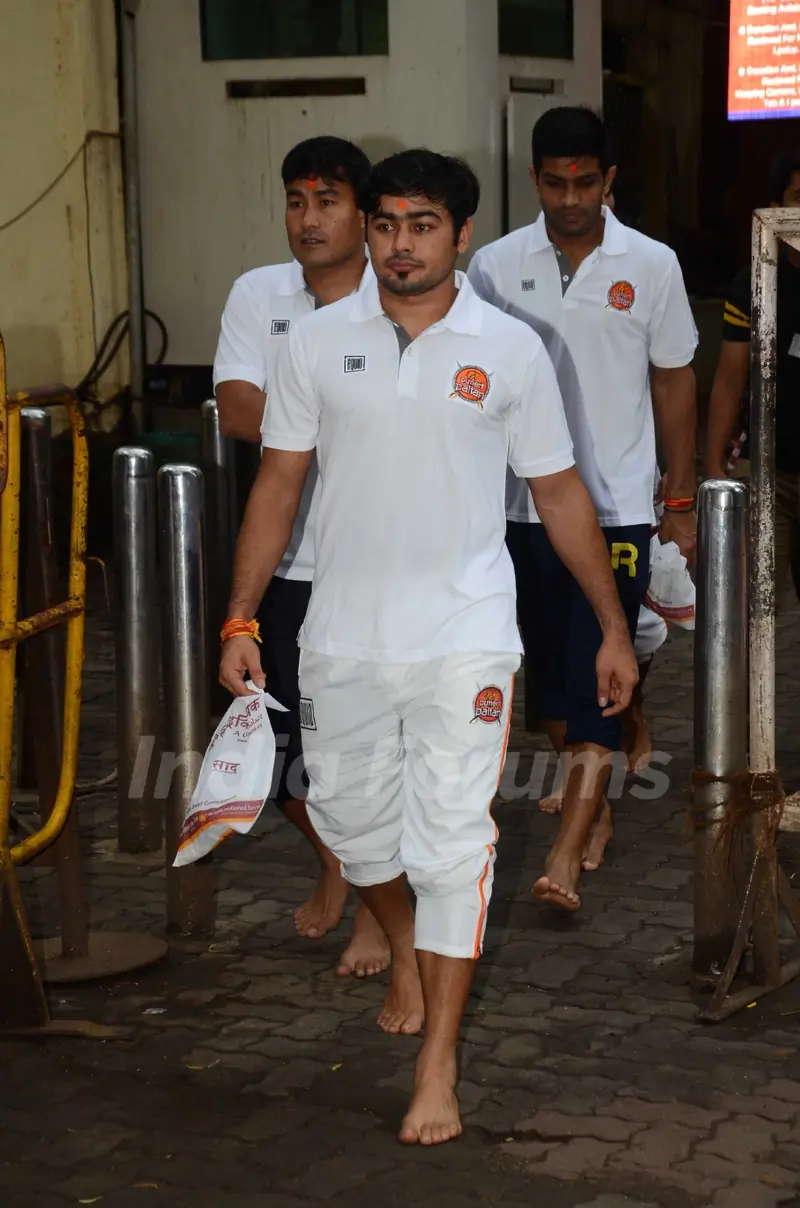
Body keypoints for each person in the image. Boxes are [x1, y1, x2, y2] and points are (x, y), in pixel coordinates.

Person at [219, 149, 638, 1146]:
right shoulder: (316, 342)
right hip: (342, 634)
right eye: (385, 224)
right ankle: (404, 943)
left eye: (421, 225)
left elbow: (558, 493)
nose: (399, 243)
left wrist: (612, 627)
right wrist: (240, 616)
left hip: (466, 635)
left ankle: (437, 1060)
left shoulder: (512, 348)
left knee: (452, 844)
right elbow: (277, 484)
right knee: (349, 821)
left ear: (460, 235)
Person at [468, 106, 698, 911]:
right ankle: (593, 799)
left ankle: (567, 850)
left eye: (585, 182)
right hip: (518, 507)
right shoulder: (493, 267)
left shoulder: (653, 265)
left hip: (619, 506)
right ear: (534, 179)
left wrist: (678, 497)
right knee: (554, 680)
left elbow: (673, 380)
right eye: (555, 183)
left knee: (598, 663)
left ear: (610, 180)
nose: (570, 199)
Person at [213, 135, 390, 978]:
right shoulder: (260, 293)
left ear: (363, 212)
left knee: (367, 757)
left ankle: (379, 910)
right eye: (295, 201)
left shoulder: (399, 293)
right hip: (287, 568)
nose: (308, 219)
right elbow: (236, 409)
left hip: (378, 570)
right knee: (280, 758)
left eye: (326, 202)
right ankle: (338, 863)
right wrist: (338, 415)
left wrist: (304, 415)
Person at [706, 151, 800, 603]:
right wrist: (712, 471)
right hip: (770, 475)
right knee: (756, 609)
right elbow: (729, 381)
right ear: (777, 208)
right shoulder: (756, 282)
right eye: (798, 198)